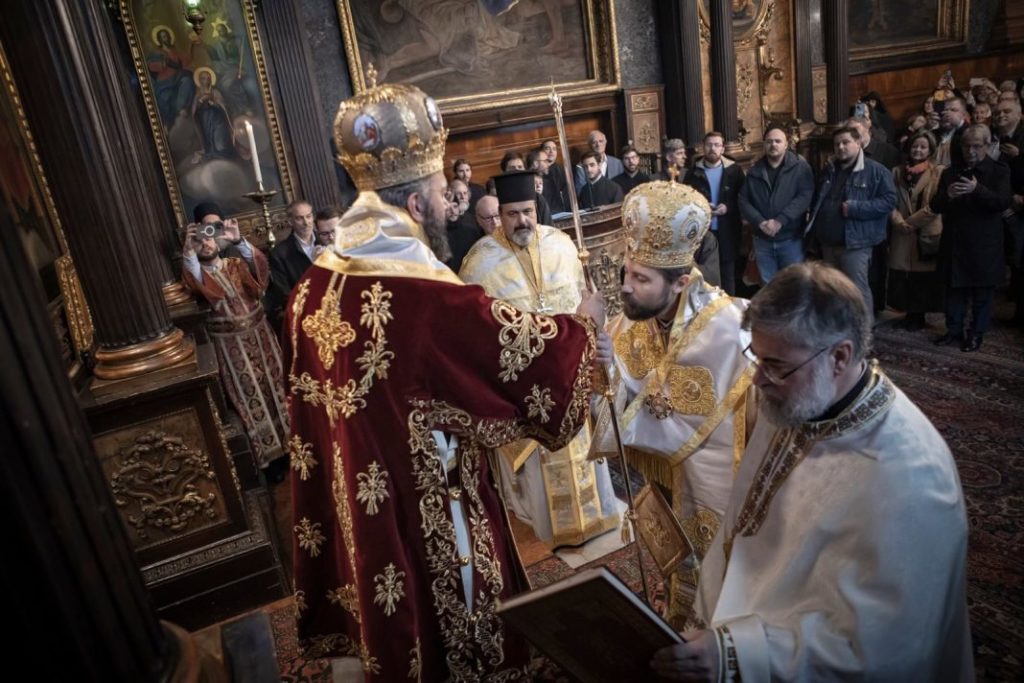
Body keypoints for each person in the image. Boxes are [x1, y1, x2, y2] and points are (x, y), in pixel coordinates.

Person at [286, 79, 606, 679]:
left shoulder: (311, 288)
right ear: (413, 206)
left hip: (352, 493)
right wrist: (581, 330)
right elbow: (517, 355)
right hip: (424, 502)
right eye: (438, 191)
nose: (447, 203)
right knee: (449, 630)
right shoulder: (421, 296)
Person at [652, 262, 972, 682]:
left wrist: (737, 656)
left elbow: (882, 651)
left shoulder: (910, 477)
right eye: (757, 357)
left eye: (777, 364)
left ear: (839, 356)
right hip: (754, 614)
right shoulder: (797, 401)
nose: (759, 379)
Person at [594, 181, 753, 627]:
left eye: (640, 280)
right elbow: (620, 398)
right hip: (665, 473)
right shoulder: (635, 317)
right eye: (626, 272)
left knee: (716, 562)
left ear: (681, 281)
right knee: (675, 555)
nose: (625, 289)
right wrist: (604, 367)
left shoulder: (729, 328)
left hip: (718, 480)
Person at [459, 171, 620, 547]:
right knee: (540, 468)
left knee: (583, 449)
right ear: (499, 214)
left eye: (528, 211)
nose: (522, 221)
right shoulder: (478, 264)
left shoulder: (562, 244)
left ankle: (600, 515)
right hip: (525, 384)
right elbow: (475, 336)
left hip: (571, 373)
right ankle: (544, 529)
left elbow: (587, 297)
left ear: (537, 207)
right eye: (512, 214)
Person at [182, 201, 288, 471]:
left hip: (262, 337)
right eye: (205, 229)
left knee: (278, 388)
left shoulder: (234, 262)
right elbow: (195, 282)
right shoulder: (195, 271)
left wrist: (238, 239)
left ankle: (295, 448)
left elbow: (261, 270)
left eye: (215, 229)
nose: (210, 239)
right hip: (231, 348)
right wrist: (190, 250)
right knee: (250, 397)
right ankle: (273, 461)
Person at [930, 124, 1012, 351]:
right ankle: (953, 331)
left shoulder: (999, 171)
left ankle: (976, 334)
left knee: (982, 295)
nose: (971, 151)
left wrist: (977, 190)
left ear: (987, 146)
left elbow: (1002, 202)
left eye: (977, 146)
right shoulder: (950, 172)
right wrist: (947, 195)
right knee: (954, 292)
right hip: (955, 242)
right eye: (967, 146)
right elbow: (934, 206)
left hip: (984, 243)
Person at [806, 126, 897, 318]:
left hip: (855, 243)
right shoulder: (829, 169)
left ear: (858, 143)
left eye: (845, 142)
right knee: (833, 290)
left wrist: (857, 208)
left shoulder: (876, 171)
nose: (840, 147)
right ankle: (840, 333)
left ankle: (864, 337)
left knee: (857, 291)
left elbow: (889, 201)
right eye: (837, 144)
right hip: (828, 243)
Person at [738, 124, 814, 283]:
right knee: (769, 287)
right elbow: (743, 200)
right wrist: (760, 222)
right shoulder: (754, 170)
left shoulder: (799, 167)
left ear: (786, 144)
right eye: (769, 141)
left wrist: (780, 221)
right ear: (764, 144)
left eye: (778, 141)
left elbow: (805, 196)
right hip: (762, 240)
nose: (773, 145)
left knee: (794, 285)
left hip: (790, 239)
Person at [887, 130, 944, 329]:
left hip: (925, 230)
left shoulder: (938, 172)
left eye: (923, 146)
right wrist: (898, 221)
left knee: (922, 278)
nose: (918, 150)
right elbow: (889, 200)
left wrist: (912, 222)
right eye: (915, 146)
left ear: (930, 149)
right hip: (901, 231)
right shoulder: (896, 171)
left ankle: (919, 315)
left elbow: (937, 204)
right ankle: (908, 313)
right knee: (904, 275)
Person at [685, 132, 745, 294]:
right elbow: (687, 201)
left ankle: (730, 312)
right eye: (709, 144)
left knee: (728, 275)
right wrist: (703, 206)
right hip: (704, 232)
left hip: (728, 230)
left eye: (717, 145)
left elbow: (743, 197)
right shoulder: (693, 173)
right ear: (703, 147)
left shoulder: (734, 170)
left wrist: (728, 207)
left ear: (722, 148)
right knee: (706, 276)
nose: (713, 148)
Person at [265, 199, 319, 331]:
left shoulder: (326, 240)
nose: (306, 223)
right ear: (290, 221)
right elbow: (284, 292)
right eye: (299, 218)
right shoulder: (279, 253)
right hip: (306, 315)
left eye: (308, 216)